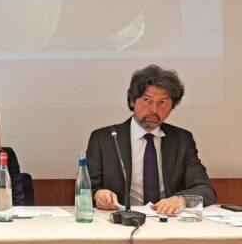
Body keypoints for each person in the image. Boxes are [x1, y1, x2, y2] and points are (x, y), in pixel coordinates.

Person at [86, 64, 216, 215]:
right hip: (121, 219)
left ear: (172, 106)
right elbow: (85, 189)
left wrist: (181, 200)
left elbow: (205, 189)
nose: (154, 109)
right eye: (147, 100)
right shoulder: (104, 139)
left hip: (167, 220)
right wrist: (98, 194)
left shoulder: (182, 140)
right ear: (133, 101)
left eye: (163, 102)